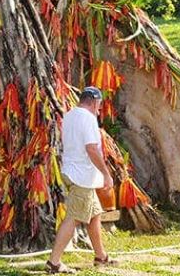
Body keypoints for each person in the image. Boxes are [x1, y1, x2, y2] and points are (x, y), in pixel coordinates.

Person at [47, 86, 115, 274]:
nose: (99, 109)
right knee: (75, 217)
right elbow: (92, 149)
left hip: (72, 171)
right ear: (94, 102)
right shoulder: (88, 118)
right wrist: (106, 174)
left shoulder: (69, 115)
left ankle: (101, 256)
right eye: (99, 105)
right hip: (81, 176)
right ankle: (54, 262)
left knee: (94, 214)